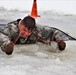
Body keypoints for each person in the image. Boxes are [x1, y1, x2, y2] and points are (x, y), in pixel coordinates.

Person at [0, 16, 67, 55]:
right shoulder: (11, 28)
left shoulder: (36, 30)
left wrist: (60, 40)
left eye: (29, 31)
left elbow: (53, 31)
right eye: (24, 29)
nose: (26, 34)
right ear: (21, 24)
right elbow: (2, 35)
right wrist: (7, 45)